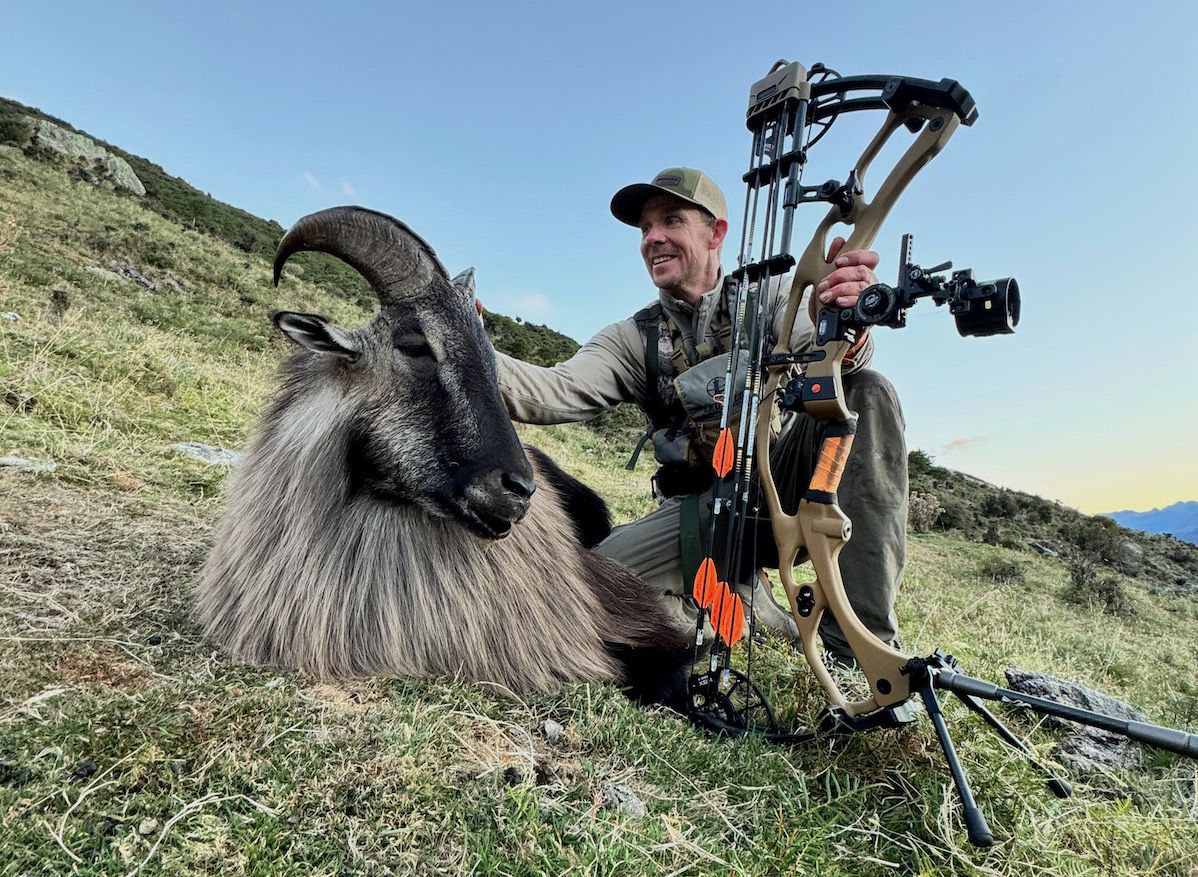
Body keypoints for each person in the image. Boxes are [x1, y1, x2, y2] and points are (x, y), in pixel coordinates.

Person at [492, 168, 907, 666]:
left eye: (671, 221)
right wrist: (468, 350)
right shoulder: (632, 338)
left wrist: (845, 315)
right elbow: (553, 391)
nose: (653, 239)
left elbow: (836, 359)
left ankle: (860, 648)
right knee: (585, 590)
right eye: (645, 229)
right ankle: (740, 606)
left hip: (788, 489)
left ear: (716, 233)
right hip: (703, 510)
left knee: (869, 391)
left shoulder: (777, 295)